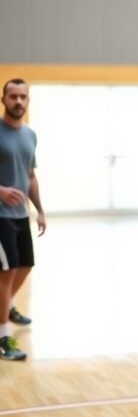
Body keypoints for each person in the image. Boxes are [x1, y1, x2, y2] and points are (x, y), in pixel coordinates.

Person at [1, 78, 46, 362]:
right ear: (3, 100)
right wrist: (1, 191)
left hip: (20, 215)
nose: (18, 101)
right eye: (13, 96)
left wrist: (39, 209)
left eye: (23, 97)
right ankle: (3, 337)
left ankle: (7, 306)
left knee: (26, 265)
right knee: (5, 274)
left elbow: (30, 176)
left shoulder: (30, 135)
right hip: (0, 217)